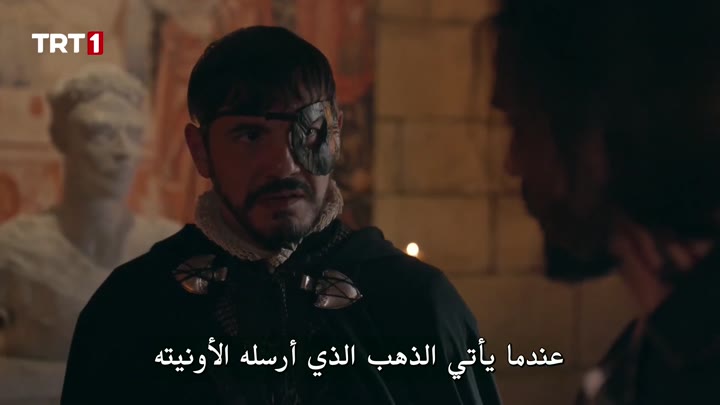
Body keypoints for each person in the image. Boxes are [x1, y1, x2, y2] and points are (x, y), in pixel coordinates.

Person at [61, 26, 502, 405]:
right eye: (250, 135)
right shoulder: (131, 310)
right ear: (200, 150)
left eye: (308, 132)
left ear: (335, 134)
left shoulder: (417, 304)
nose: (284, 165)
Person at [491, 0, 720, 403]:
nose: (513, 163)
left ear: (595, 130)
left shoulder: (692, 369)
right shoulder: (650, 357)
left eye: (521, 124)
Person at [0, 63, 179, 403]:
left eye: (133, 134)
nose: (123, 151)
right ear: (61, 138)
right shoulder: (13, 251)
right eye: (100, 133)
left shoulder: (169, 248)